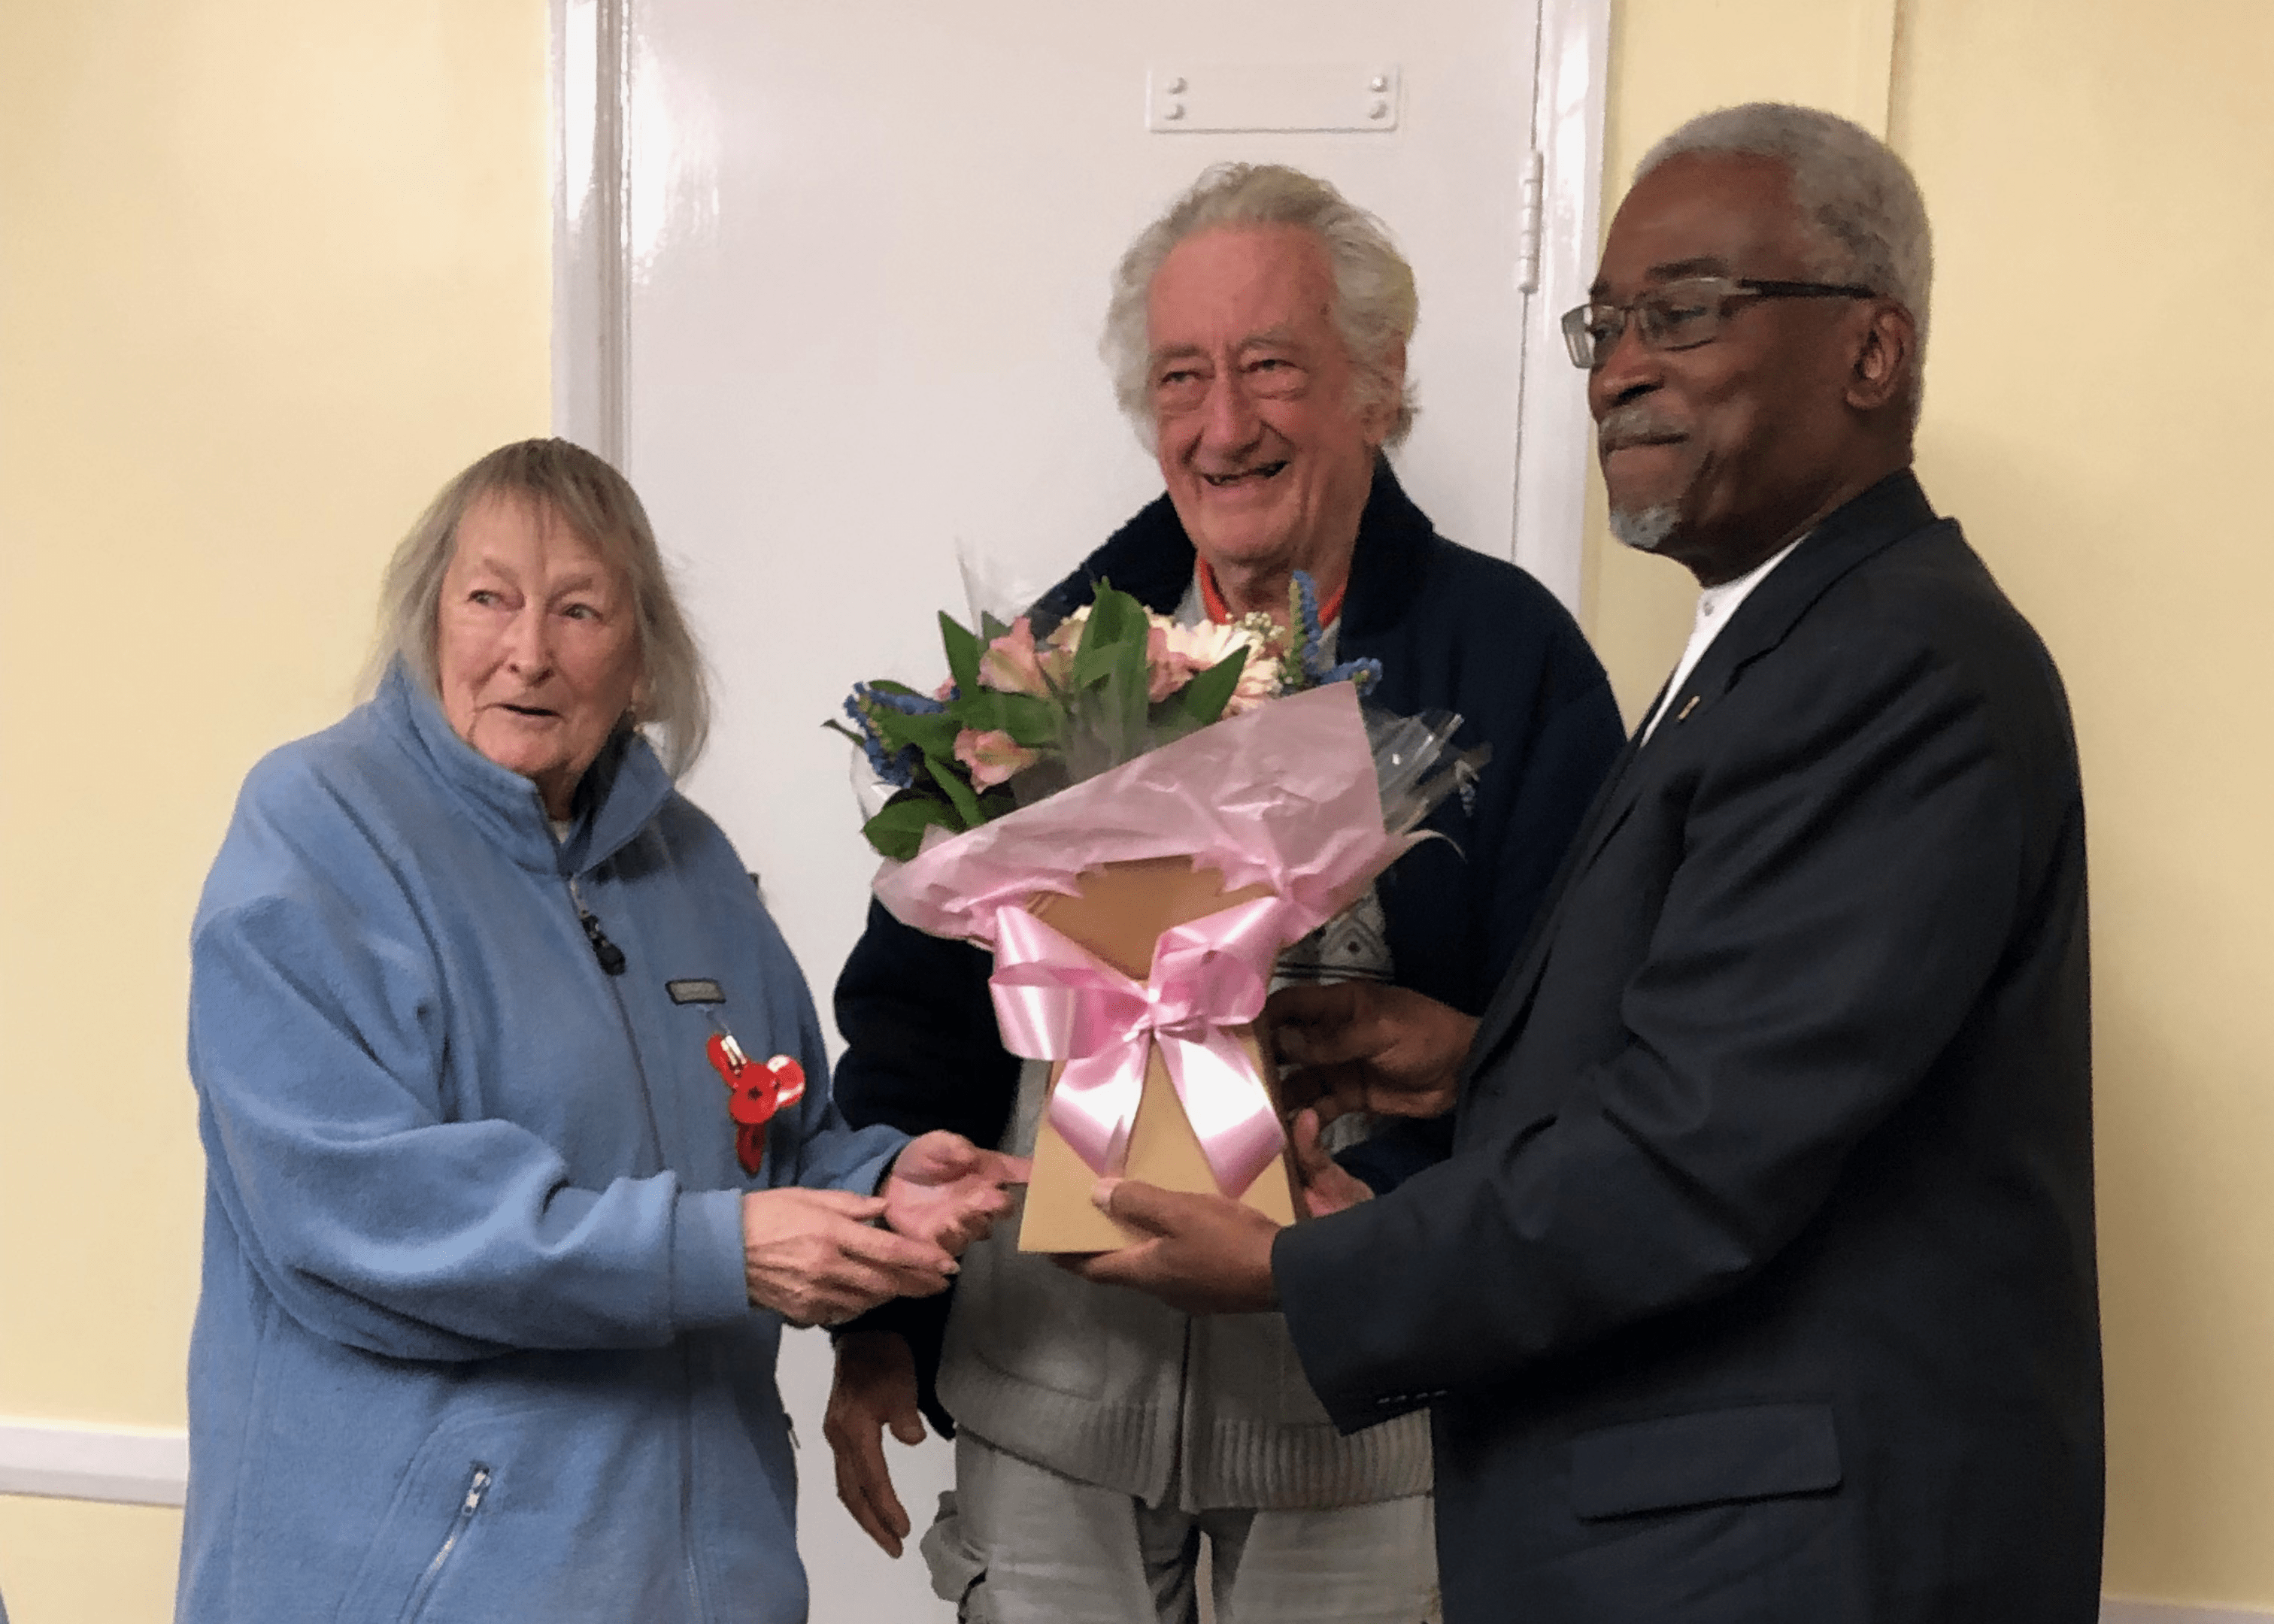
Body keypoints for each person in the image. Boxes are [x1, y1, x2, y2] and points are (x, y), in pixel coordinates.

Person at [1074, 105, 2103, 1624]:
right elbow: (1724, 1072)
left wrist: (1304, 1270)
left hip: (1784, 1559)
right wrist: (1472, 1073)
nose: (1622, 366)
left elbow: (1692, 1159)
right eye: (1607, 324)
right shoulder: (1785, 640)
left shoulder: (1896, 669)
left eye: (1684, 312)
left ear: (1872, 353)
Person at [824, 164, 1624, 1621]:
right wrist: (882, 1318)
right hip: (1054, 1409)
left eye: (1273, 368)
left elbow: (1609, 1046)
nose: (1225, 423)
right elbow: (912, 1013)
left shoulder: (1513, 665)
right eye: (1184, 376)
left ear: (1378, 385)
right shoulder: (1049, 658)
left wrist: (1440, 1089)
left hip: (1373, 1433)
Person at [177, 439, 1025, 1624]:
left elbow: (772, 1138)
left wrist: (885, 1185)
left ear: (641, 658)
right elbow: (355, 1215)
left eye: (579, 609)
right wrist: (714, 1252)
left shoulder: (696, 865)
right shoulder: (317, 832)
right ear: (431, 618)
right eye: (490, 599)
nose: (528, 650)